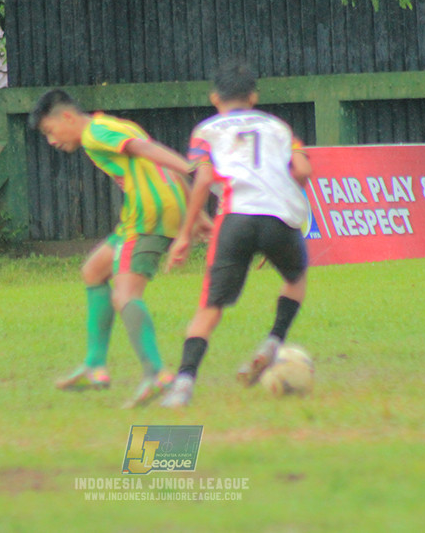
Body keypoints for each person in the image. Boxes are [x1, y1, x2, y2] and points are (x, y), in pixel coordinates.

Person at [29, 89, 197, 408]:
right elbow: (156, 163)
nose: (51, 141)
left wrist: (190, 169)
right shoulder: (115, 124)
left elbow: (148, 150)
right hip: (152, 210)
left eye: (50, 132)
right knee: (94, 270)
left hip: (147, 215)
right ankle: (95, 365)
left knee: (125, 295)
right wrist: (195, 210)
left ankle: (157, 374)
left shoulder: (95, 134)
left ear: (66, 117)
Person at [161, 60, 312, 408]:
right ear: (254, 96)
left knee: (210, 307)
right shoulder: (279, 128)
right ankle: (274, 341)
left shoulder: (206, 131)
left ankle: (183, 383)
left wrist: (184, 234)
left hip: (236, 218)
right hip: (279, 217)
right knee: (295, 277)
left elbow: (202, 179)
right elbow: (303, 169)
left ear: (215, 97)